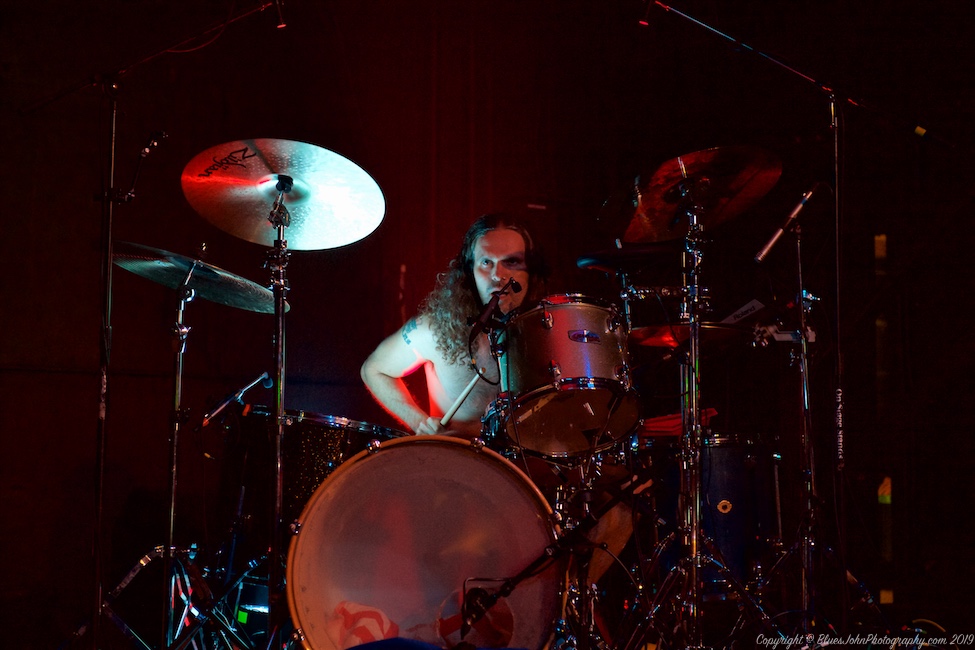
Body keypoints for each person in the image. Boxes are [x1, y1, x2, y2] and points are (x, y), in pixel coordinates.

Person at [360, 213, 547, 438]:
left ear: (531, 272)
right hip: (455, 465)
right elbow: (374, 370)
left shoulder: (549, 333)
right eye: (486, 262)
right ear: (470, 272)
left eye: (512, 262)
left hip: (524, 467)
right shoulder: (436, 328)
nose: (498, 275)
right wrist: (419, 422)